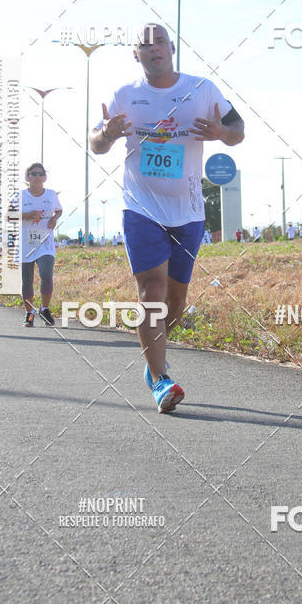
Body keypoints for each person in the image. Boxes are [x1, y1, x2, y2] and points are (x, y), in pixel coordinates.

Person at [90, 22, 244, 413]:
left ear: (172, 47)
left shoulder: (201, 89)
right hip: (140, 206)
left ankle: (152, 359)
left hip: (189, 210)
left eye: (160, 41)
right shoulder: (126, 95)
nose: (153, 48)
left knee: (176, 301)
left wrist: (220, 133)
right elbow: (95, 143)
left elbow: (238, 129)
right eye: (145, 44)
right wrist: (107, 134)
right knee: (152, 292)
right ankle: (160, 379)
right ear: (136, 54)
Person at [19, 163, 62, 328]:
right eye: (33, 174)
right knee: (27, 280)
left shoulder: (51, 194)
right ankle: (29, 313)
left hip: (45, 242)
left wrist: (54, 218)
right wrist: (27, 215)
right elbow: (9, 216)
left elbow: (59, 210)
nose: (37, 177)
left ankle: (45, 309)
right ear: (27, 177)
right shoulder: (21, 196)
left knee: (46, 274)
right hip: (27, 243)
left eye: (40, 174)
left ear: (45, 177)